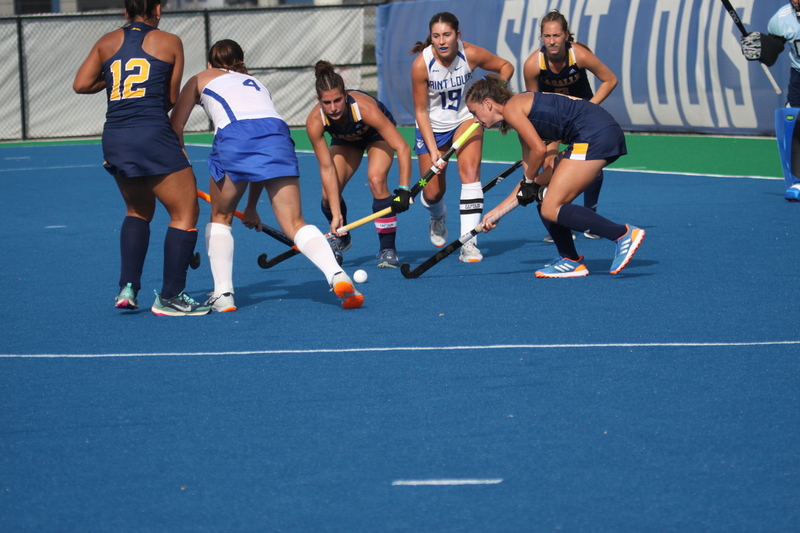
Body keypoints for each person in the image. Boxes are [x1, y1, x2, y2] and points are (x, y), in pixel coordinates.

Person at [170, 40, 363, 310]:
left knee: (221, 216)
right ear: (241, 60)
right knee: (295, 222)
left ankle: (223, 295)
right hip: (277, 133)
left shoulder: (200, 78)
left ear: (209, 64)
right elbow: (259, 156)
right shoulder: (256, 83)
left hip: (235, 135)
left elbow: (175, 126)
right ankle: (336, 274)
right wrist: (250, 206)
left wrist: (180, 166)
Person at [73, 0, 210, 316]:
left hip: (116, 136)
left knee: (138, 210)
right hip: (152, 133)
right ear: (158, 10)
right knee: (185, 213)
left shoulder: (106, 42)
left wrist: (112, 81)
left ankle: (128, 287)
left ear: (125, 12)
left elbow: (80, 84)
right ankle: (171, 297)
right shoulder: (170, 41)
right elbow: (171, 98)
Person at [465, 77, 645, 277]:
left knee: (551, 207)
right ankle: (570, 260)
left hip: (593, 135)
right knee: (543, 198)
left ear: (488, 103)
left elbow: (539, 150)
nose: (474, 119)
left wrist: (530, 183)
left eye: (474, 112)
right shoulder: (519, 114)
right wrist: (498, 212)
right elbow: (529, 179)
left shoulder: (512, 108)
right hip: (591, 134)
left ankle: (622, 234)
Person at [410, 12, 514, 262]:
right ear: (431, 38)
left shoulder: (470, 54)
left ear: (458, 35)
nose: (442, 41)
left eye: (447, 35)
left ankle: (469, 242)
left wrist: (497, 89)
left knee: (470, 174)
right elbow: (421, 111)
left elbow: (505, 66)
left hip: (466, 119)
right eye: (436, 36)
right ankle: (438, 215)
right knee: (432, 192)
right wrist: (433, 150)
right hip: (431, 127)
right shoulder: (421, 65)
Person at [306, 61, 413, 268]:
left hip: (375, 135)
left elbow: (403, 148)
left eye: (338, 100)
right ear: (319, 101)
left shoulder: (365, 109)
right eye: (327, 103)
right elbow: (327, 168)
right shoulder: (314, 122)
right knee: (328, 195)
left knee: (376, 179)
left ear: (345, 95)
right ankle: (342, 235)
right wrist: (336, 216)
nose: (334, 108)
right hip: (346, 141)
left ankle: (387, 248)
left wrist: (404, 189)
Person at [522, 9, 618, 240]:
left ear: (566, 35)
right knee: (550, 165)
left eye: (556, 35)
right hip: (553, 121)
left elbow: (610, 79)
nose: (552, 41)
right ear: (541, 38)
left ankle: (589, 213)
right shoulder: (533, 64)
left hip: (583, 122)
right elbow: (532, 102)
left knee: (588, 165)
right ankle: (561, 219)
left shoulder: (579, 55)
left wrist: (590, 108)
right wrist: (539, 141)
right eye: (547, 36)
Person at [740, 0, 800, 201]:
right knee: (795, 122)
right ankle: (799, 180)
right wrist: (758, 48)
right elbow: (774, 50)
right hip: (799, 77)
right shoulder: (782, 18)